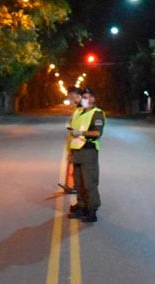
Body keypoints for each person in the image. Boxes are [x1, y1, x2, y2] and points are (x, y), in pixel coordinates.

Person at [67, 87, 105, 223]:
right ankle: (81, 207)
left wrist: (81, 133)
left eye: (88, 97)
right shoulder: (78, 112)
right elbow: (72, 131)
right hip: (76, 150)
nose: (85, 100)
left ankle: (92, 210)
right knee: (78, 182)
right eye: (83, 97)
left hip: (88, 151)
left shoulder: (97, 114)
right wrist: (70, 153)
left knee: (89, 183)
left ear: (93, 99)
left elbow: (97, 133)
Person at [58, 86, 81, 194]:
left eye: (71, 96)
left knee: (77, 166)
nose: (70, 99)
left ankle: (76, 187)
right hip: (74, 141)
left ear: (75, 95)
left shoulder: (82, 108)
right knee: (72, 164)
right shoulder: (77, 108)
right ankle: (71, 185)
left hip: (80, 142)